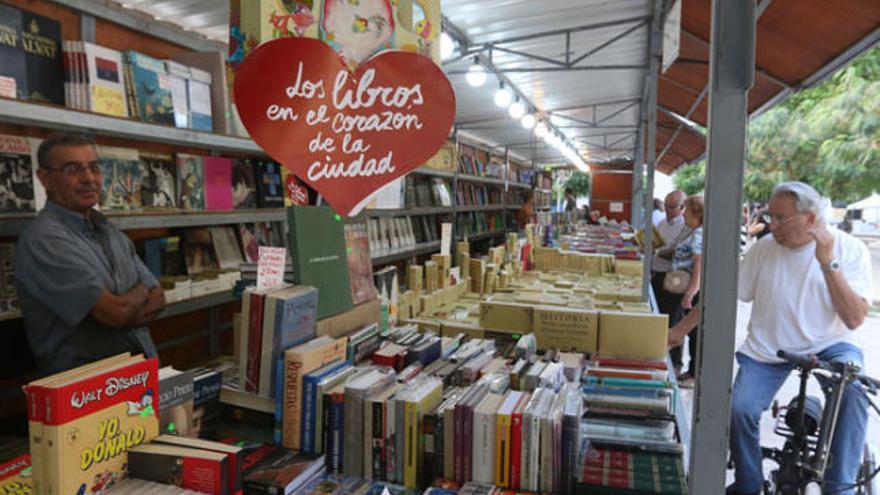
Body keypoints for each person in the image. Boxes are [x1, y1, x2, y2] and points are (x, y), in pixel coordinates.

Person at [668, 182, 871, 495]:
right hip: (769, 348)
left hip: (833, 343)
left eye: (781, 219)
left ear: (811, 218)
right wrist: (680, 331)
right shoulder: (764, 248)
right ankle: (749, 483)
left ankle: (839, 487)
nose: (772, 225)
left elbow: (855, 318)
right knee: (740, 409)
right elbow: (724, 294)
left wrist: (828, 262)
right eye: (770, 216)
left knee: (853, 392)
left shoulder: (849, 250)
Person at [14, 132, 165, 374]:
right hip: (86, 394)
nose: (89, 179)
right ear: (44, 178)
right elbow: (115, 314)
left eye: (94, 168)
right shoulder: (44, 240)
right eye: (73, 169)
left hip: (138, 378)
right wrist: (139, 292)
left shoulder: (108, 230)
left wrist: (127, 305)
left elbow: (158, 297)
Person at [651, 190, 690, 375]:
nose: (667, 210)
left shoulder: (684, 227)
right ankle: (661, 357)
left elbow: (676, 252)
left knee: (674, 320)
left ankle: (675, 364)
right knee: (659, 318)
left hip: (673, 279)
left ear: (682, 208)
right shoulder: (661, 223)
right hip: (657, 274)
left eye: (672, 207)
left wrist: (658, 251)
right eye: (666, 206)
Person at [669, 195, 703, 387]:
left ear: (695, 213)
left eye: (686, 211)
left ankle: (693, 374)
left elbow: (699, 265)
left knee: (694, 332)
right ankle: (690, 371)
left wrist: (691, 292)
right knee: (692, 331)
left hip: (691, 288)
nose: (684, 215)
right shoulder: (693, 231)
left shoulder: (699, 234)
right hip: (686, 286)